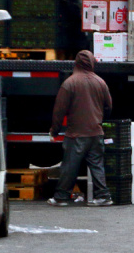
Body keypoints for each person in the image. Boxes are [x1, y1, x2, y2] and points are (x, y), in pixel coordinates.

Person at [48, 50, 114, 207]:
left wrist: (54, 130)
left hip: (76, 133)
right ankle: (103, 196)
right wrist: (99, 120)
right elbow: (108, 106)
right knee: (97, 165)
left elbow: (59, 110)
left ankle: (61, 197)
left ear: (76, 63)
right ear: (92, 63)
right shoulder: (101, 82)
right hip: (96, 132)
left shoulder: (70, 83)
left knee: (70, 166)